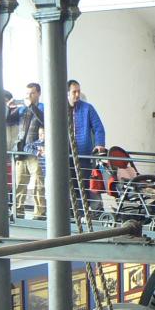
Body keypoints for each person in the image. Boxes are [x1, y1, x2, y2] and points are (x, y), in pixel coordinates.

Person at [7, 82, 46, 219]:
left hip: (36, 152)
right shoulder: (22, 109)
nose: (29, 96)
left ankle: (39, 213)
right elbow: (8, 120)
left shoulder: (42, 108)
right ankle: (18, 211)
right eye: (27, 93)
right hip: (21, 152)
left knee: (38, 184)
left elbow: (45, 121)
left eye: (32, 93)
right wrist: (8, 107)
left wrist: (31, 106)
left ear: (39, 93)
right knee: (19, 184)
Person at [67, 79, 106, 213]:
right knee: (71, 186)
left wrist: (99, 144)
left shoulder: (87, 108)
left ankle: (95, 213)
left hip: (84, 155)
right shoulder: (59, 109)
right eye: (74, 92)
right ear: (67, 93)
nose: (77, 94)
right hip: (66, 157)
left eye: (78, 91)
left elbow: (98, 128)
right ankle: (75, 213)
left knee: (88, 184)